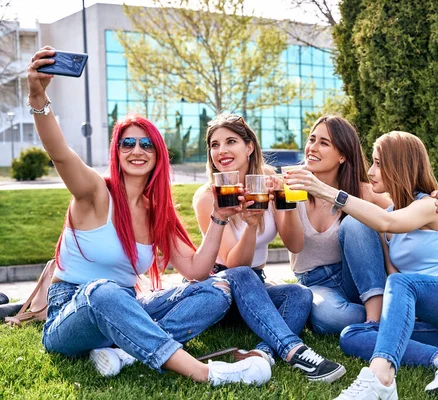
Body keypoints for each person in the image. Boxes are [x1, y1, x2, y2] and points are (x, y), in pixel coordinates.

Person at [28, 46, 271, 386]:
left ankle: (125, 350)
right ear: (117, 151)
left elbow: (197, 270)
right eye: (127, 143)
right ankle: (206, 373)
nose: (137, 150)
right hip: (71, 314)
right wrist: (38, 96)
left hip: (126, 306)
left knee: (216, 289)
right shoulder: (96, 193)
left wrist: (218, 218)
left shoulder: (157, 212)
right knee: (103, 291)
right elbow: (60, 153)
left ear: (158, 155)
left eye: (146, 144)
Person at [286, 131, 438, 398]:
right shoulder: (387, 216)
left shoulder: (431, 205)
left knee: (400, 283)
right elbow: (391, 267)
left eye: (378, 163)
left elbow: (390, 225)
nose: (371, 170)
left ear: (400, 167)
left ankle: (381, 378)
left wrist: (323, 190)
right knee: (352, 335)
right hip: (431, 323)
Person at [193, 114, 345, 383]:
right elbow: (234, 266)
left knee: (299, 294)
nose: (222, 151)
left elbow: (295, 244)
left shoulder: (266, 180)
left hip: (256, 288)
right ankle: (294, 350)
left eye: (231, 141)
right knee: (243, 275)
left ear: (249, 146)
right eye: (215, 145)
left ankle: (261, 355)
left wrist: (284, 205)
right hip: (221, 289)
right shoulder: (208, 197)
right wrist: (251, 226)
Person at [276, 116, 438, 334]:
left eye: (324, 143)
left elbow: (402, 212)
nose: (312, 147)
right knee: (331, 316)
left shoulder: (363, 192)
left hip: (355, 275)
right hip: (316, 283)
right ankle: (395, 316)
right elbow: (294, 246)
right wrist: (289, 203)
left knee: (354, 223)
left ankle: (373, 321)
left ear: (342, 155)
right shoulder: (290, 187)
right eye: (311, 140)